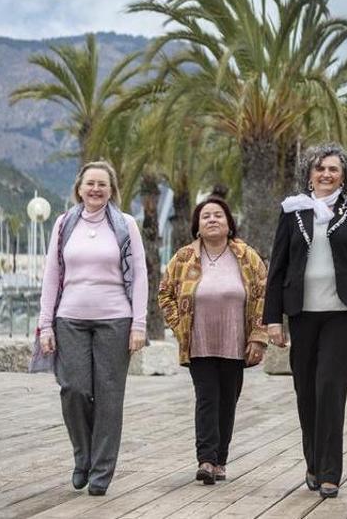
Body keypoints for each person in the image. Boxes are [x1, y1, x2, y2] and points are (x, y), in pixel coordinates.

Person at [264, 143, 347, 499]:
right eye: (320, 169)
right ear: (309, 174)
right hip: (302, 314)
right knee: (306, 392)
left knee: (329, 388)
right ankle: (313, 462)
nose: (326, 174)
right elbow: (278, 267)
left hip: (343, 314)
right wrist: (273, 320)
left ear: (344, 175)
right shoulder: (292, 212)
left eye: (333, 169)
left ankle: (330, 471)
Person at [36, 160, 148, 496]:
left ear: (112, 189)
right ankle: (82, 456)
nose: (96, 189)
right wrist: (45, 325)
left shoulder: (125, 225)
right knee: (73, 390)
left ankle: (101, 471)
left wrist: (138, 324)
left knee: (110, 397)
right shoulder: (64, 224)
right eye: (90, 183)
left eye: (102, 184)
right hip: (69, 318)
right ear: (79, 188)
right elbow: (51, 275)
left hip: (115, 319)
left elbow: (140, 274)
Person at [158, 197, 268, 485]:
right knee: (207, 398)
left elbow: (263, 297)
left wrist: (258, 338)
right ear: (197, 225)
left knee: (228, 401)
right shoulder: (184, 258)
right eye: (205, 216)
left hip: (236, 341)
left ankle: (220, 460)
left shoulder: (247, 256)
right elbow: (164, 293)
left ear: (229, 223)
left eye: (218, 215)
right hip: (199, 341)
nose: (212, 220)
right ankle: (205, 460)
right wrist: (180, 325)